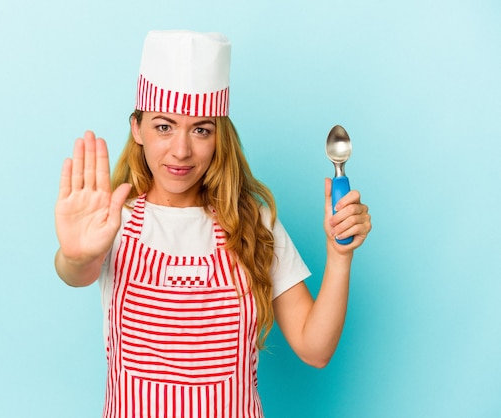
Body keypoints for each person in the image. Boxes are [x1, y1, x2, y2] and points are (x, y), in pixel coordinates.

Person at [54, 30, 371, 418]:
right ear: (137, 128)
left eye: (201, 129)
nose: (181, 150)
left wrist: (339, 256)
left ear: (220, 136)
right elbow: (76, 271)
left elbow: (315, 348)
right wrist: (75, 255)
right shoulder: (111, 221)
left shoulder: (254, 222)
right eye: (163, 126)